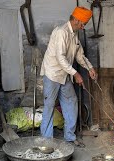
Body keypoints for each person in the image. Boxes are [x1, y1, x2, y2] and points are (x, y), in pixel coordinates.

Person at [40, 7, 97, 147]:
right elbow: (60, 58)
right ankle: (47, 142)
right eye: (83, 23)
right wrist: (76, 73)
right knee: (49, 106)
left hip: (65, 75)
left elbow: (80, 56)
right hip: (52, 74)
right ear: (76, 20)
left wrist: (90, 68)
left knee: (71, 102)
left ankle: (70, 138)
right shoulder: (61, 32)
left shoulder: (74, 36)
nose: (84, 27)